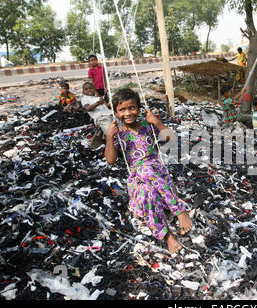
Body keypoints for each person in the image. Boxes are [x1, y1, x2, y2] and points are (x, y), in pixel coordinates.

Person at [105, 88, 193, 254]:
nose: (128, 113)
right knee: (145, 192)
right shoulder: (118, 133)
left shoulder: (147, 125)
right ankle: (168, 236)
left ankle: (178, 212)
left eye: (132, 108)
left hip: (157, 170)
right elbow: (110, 160)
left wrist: (157, 122)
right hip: (137, 175)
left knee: (147, 171)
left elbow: (172, 139)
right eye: (122, 110)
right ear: (116, 112)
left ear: (139, 108)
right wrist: (109, 137)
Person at [81, 81, 114, 149]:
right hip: (102, 118)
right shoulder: (85, 99)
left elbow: (108, 106)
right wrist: (98, 103)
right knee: (111, 134)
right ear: (83, 92)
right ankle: (113, 149)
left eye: (91, 88)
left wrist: (112, 100)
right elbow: (88, 108)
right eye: (86, 89)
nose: (89, 90)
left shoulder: (99, 98)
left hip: (111, 115)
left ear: (94, 89)